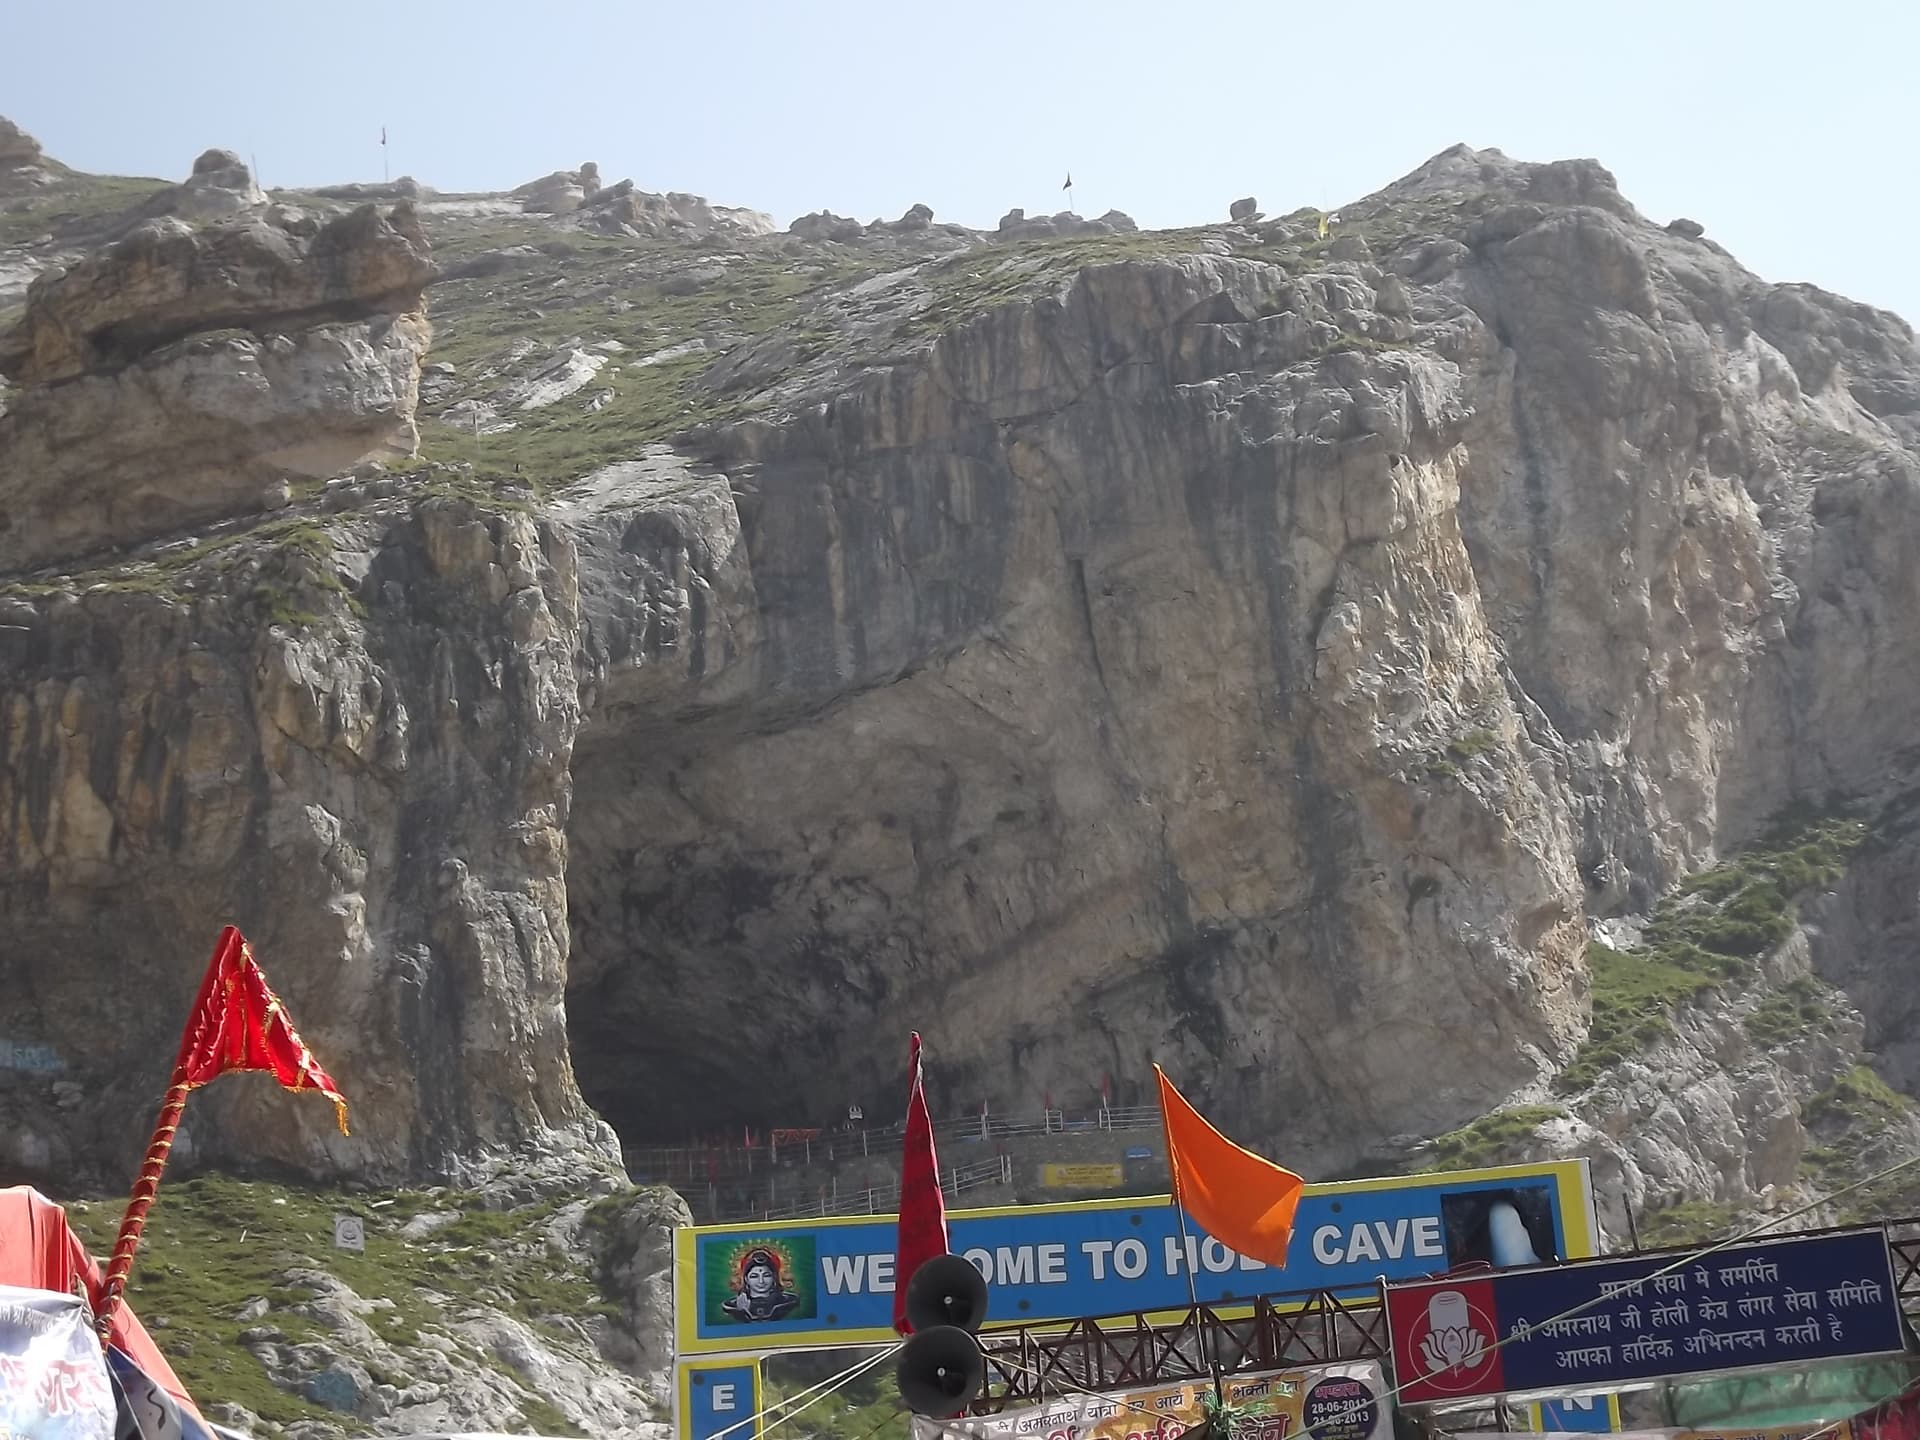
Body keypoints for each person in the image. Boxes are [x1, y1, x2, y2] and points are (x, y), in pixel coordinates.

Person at [722, 1248, 800, 1322]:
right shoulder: (732, 1305)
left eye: (766, 1275)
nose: (761, 1281)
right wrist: (741, 1312)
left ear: (774, 1277)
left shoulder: (789, 1302)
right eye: (754, 1276)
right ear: (746, 1279)